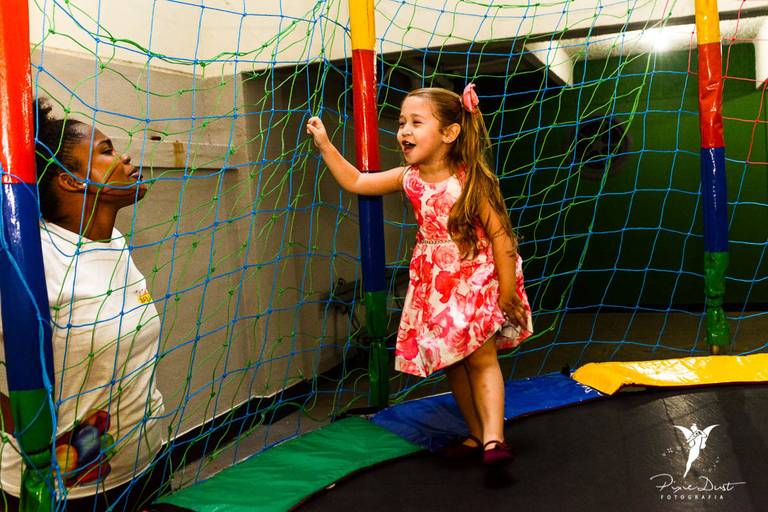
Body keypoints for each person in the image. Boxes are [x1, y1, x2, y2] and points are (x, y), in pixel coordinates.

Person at [306, 85, 533, 465]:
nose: (404, 131)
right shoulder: (408, 178)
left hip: (475, 277)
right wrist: (327, 145)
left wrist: (507, 291)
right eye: (401, 123)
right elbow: (358, 182)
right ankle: (477, 434)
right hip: (435, 284)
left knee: (480, 357)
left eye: (416, 122)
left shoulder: (471, 181)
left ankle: (495, 437)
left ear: (449, 133)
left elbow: (502, 237)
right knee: (453, 362)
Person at [0, 99, 168, 511]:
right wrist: (41, 445)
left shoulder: (113, 243)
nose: (125, 156)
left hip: (146, 465)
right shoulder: (30, 259)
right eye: (107, 150)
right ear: (71, 182)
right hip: (64, 493)